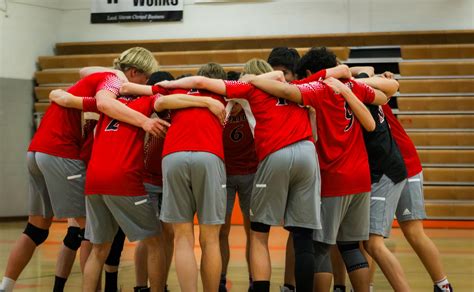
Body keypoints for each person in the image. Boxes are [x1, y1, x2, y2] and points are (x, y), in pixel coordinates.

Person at [49, 71, 225, 292]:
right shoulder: (150, 100)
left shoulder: (106, 102)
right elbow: (167, 100)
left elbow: (67, 99)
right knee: (155, 240)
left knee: (98, 249)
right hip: (123, 178)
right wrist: (206, 101)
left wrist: (55, 92)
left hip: (93, 180)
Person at [154, 58, 321, 292]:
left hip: (251, 168)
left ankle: (254, 280)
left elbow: (160, 100)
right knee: (223, 233)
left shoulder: (241, 93)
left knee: (245, 231)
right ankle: (222, 281)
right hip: (224, 167)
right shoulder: (232, 95)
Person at [248, 47, 399, 292]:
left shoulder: (317, 91)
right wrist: (349, 77)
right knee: (351, 247)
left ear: (309, 72)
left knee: (319, 248)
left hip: (333, 176)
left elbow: (287, 90)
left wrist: (252, 79)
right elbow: (385, 94)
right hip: (360, 177)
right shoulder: (351, 87)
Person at [121, 62, 228, 292]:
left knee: (182, 237)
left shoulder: (176, 91)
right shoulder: (224, 91)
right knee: (210, 239)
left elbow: (159, 101)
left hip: (173, 156)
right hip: (209, 154)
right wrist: (208, 101)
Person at [134, 71, 176, 292]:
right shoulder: (143, 111)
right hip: (147, 179)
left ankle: (161, 284)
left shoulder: (177, 108)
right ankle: (141, 286)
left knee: (168, 235)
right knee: (148, 237)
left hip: (169, 182)